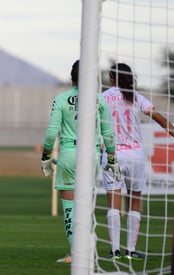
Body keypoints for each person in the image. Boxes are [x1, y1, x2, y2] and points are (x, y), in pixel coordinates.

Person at [41, 60, 120, 263]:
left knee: (70, 208)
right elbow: (108, 134)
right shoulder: (99, 100)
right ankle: (87, 249)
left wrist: (46, 156)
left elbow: (51, 134)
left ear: (71, 77)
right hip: (92, 155)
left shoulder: (61, 99)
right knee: (85, 206)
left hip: (68, 154)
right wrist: (111, 158)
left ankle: (75, 253)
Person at [102, 63, 174, 260]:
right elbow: (158, 117)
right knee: (134, 201)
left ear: (112, 77)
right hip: (135, 156)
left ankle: (115, 250)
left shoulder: (103, 97)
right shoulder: (136, 97)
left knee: (113, 205)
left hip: (112, 155)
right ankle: (131, 250)